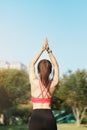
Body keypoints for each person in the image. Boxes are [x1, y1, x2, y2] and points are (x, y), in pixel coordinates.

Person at [29, 38, 59, 130]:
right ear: (50, 71)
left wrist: (42, 49)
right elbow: (56, 66)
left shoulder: (34, 82)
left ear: (38, 70)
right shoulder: (54, 83)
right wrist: (49, 51)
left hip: (35, 118)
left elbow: (31, 64)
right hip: (49, 118)